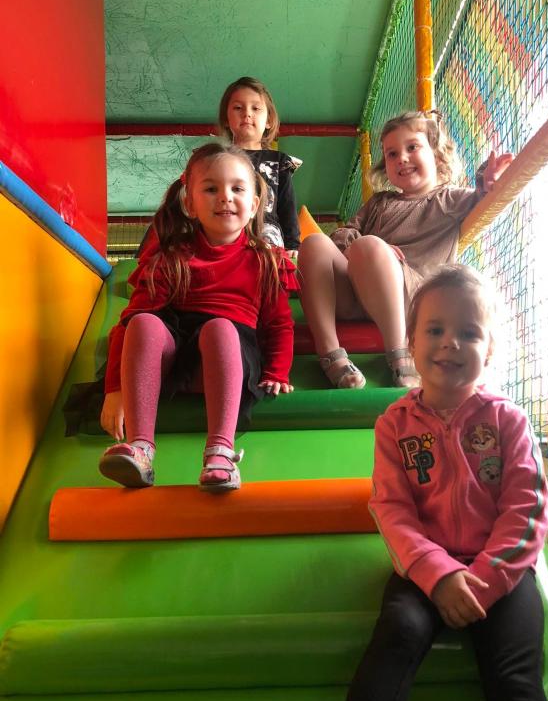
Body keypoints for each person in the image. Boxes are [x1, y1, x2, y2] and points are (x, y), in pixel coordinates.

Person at [309, 264, 548, 701]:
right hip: (423, 571)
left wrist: (483, 580)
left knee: (515, 683)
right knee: (398, 634)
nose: (450, 343)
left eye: (469, 332)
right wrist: (438, 575)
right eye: (434, 330)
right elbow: (392, 510)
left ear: (490, 349)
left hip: (500, 575)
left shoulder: (508, 421)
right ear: (410, 342)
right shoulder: (394, 424)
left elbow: (526, 507)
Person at [98, 142, 297, 492]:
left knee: (219, 328)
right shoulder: (171, 257)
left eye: (237, 189)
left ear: (254, 205)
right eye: (211, 189)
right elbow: (127, 324)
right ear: (190, 204)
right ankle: (141, 448)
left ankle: (221, 451)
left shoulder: (265, 260)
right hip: (174, 362)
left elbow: (279, 323)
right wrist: (115, 388)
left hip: (228, 359)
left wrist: (277, 371)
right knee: (144, 322)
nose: (225, 197)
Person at [297, 110, 512, 390]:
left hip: (412, 300)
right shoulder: (379, 203)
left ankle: (401, 352)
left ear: (437, 155)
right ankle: (330, 353)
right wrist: (355, 248)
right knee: (314, 243)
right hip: (358, 294)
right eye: (392, 154)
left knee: (369, 245)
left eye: (412, 147)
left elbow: (483, 201)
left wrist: (489, 182)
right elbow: (343, 234)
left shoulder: (448, 199)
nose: (402, 158)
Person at [218, 76, 301, 254]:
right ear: (226, 118)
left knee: (266, 238)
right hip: (228, 226)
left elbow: (287, 206)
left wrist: (293, 245)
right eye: (238, 108)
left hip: (267, 232)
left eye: (255, 108)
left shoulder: (279, 161)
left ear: (269, 120)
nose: (247, 113)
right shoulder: (217, 159)